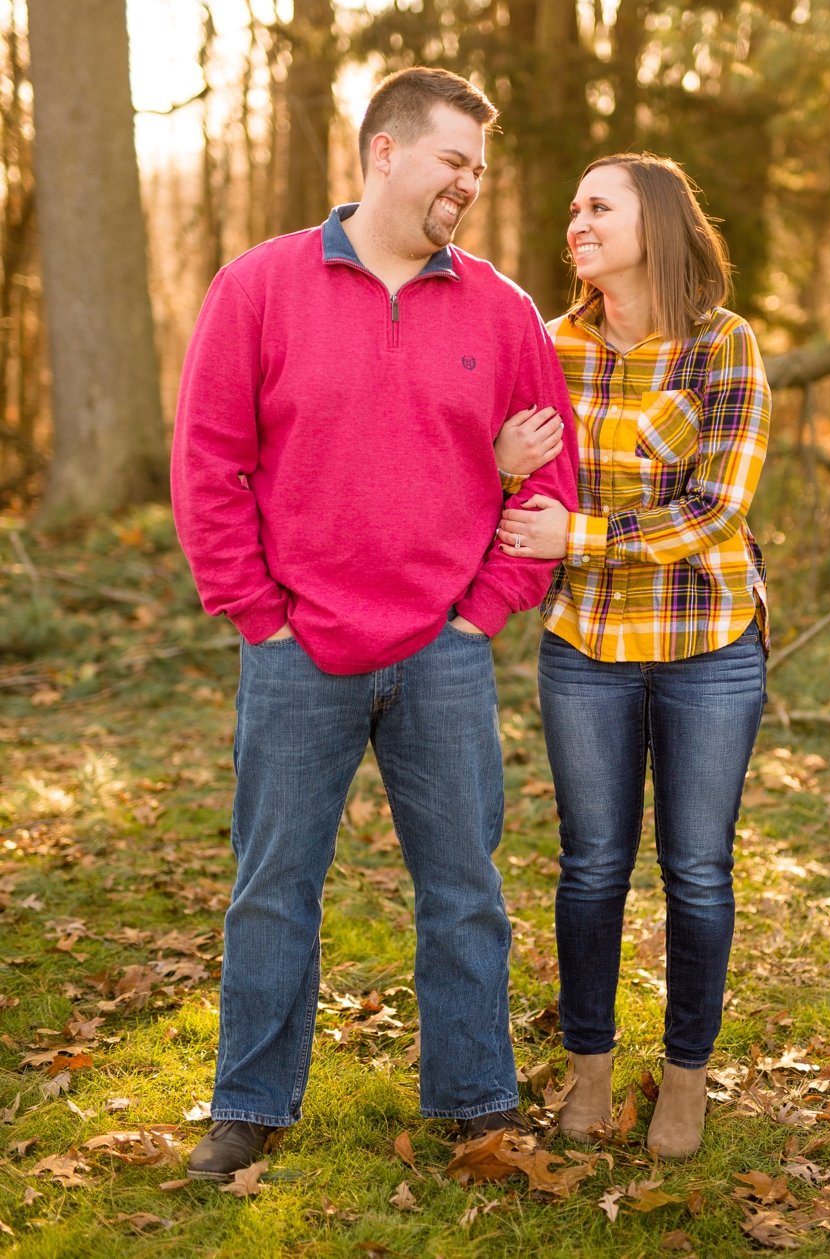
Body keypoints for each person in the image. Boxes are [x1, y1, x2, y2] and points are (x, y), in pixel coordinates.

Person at [170, 66, 579, 1177]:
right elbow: (209, 460)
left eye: (479, 170)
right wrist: (257, 615)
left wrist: (483, 611)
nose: (469, 185)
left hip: (442, 652)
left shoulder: (502, 310)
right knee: (272, 885)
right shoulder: (259, 286)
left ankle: (475, 1101)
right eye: (454, 161)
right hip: (298, 650)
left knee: (464, 888)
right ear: (385, 153)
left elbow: (554, 481)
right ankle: (249, 1103)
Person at [491, 153, 769, 1159]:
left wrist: (582, 534)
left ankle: (686, 1079)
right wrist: (500, 467)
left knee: (696, 869)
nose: (577, 220)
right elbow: (501, 486)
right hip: (585, 647)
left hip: (708, 644)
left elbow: (715, 507)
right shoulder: (546, 347)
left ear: (653, 221)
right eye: (571, 206)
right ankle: (591, 1068)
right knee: (592, 866)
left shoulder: (724, 349)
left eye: (597, 205)